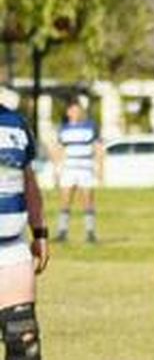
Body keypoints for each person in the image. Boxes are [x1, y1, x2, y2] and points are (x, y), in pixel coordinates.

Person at [0, 93, 47, 359]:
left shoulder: (15, 124)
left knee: (24, 343)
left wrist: (39, 231)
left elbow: (28, 182)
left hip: (11, 247)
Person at [53, 99, 102, 245]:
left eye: (78, 109)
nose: (76, 112)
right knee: (65, 201)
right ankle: (62, 233)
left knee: (88, 201)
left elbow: (98, 148)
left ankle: (90, 233)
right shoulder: (63, 129)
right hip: (69, 168)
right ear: (68, 112)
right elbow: (59, 149)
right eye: (73, 110)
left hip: (86, 168)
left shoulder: (90, 126)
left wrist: (100, 168)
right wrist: (57, 169)